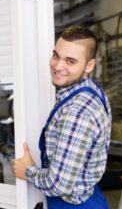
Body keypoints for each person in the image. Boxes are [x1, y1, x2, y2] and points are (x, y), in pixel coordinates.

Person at [12, 26, 111, 208]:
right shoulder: (91, 91)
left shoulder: (77, 112)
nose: (58, 66)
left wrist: (27, 171)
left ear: (89, 66)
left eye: (70, 61)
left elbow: (59, 184)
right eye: (56, 56)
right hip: (89, 196)